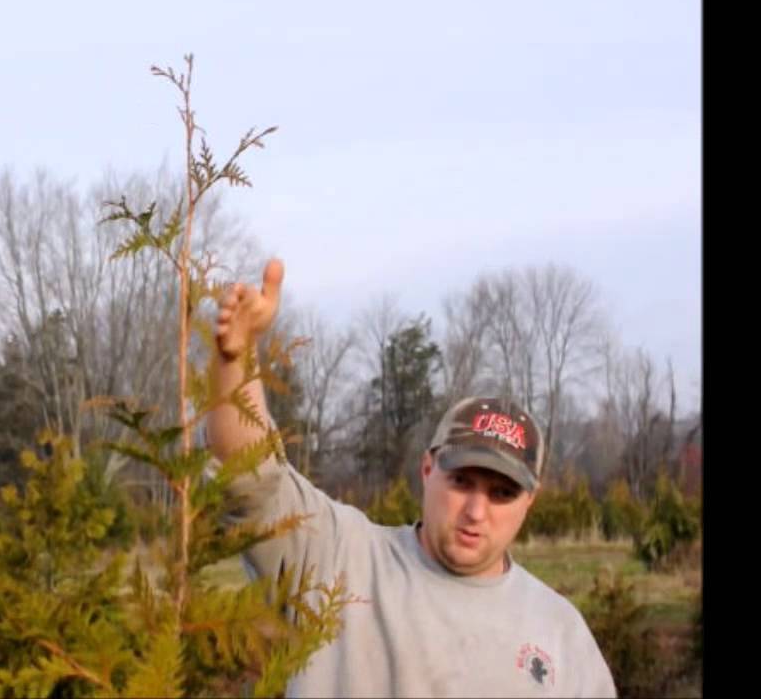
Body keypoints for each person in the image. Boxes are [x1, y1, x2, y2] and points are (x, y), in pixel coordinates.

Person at [207, 258, 617, 697]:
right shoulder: (338, 557)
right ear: (427, 470)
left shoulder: (561, 635)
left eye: (501, 493)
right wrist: (237, 360)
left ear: (529, 502)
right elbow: (251, 479)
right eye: (462, 482)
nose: (476, 512)